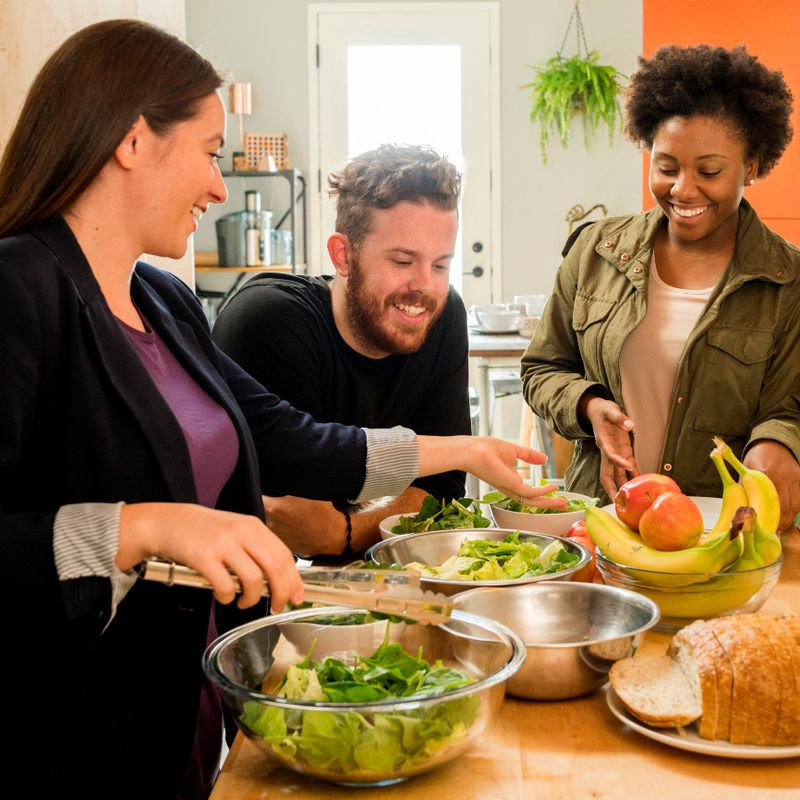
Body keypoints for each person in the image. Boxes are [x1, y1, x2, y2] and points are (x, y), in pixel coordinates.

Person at [0, 20, 562, 798]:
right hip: (69, 736)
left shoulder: (161, 299)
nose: (221, 187)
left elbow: (283, 435)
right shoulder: (18, 288)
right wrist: (145, 525)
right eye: (209, 153)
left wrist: (459, 453)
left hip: (185, 713)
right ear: (133, 141)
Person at [522, 44, 800, 533]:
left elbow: (788, 405)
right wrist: (589, 405)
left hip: (721, 531)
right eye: (666, 167)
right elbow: (543, 368)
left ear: (751, 166)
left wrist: (778, 442)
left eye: (709, 171)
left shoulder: (788, 279)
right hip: (603, 521)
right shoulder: (595, 252)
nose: (683, 189)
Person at [213, 144, 470, 556]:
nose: (424, 286)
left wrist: (344, 530)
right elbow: (289, 517)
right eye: (403, 262)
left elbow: (442, 489)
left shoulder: (445, 312)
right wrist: (358, 524)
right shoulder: (267, 319)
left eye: (440, 265)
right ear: (344, 255)